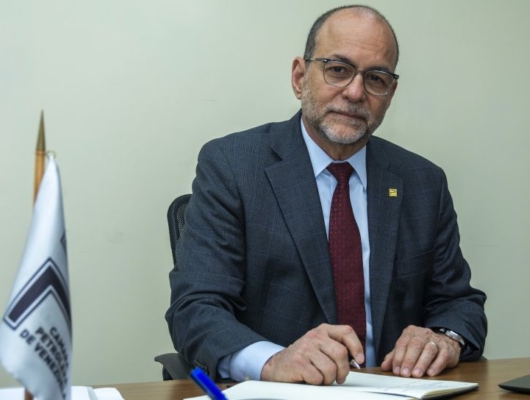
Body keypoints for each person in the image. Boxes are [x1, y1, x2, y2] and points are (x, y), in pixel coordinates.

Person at [165, 4, 487, 386]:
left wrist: (444, 339)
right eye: (338, 69)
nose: (355, 92)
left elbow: (459, 303)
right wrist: (272, 361)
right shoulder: (233, 166)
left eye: (376, 78)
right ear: (299, 77)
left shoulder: (423, 182)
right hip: (280, 393)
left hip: (395, 390)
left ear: (390, 93)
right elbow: (196, 308)